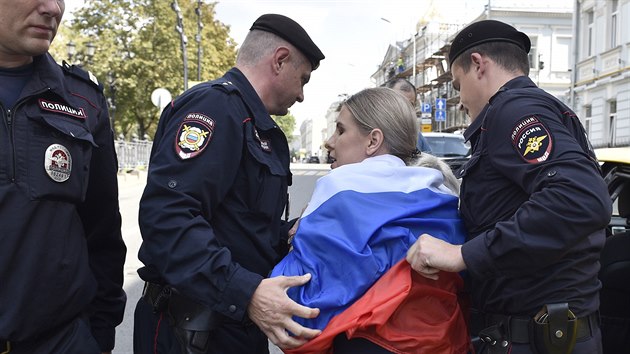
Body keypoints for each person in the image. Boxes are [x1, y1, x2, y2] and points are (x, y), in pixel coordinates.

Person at [406, 20, 611, 354]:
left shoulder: (514, 111)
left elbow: (579, 199)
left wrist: (462, 254)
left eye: (458, 85)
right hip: (548, 331)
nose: (459, 100)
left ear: (478, 63)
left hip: (538, 337)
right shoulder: (542, 108)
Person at [133, 14, 325, 354]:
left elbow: (236, 226)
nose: (301, 96)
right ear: (280, 60)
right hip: (190, 328)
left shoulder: (251, 121)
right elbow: (168, 218)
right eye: (303, 79)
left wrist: (287, 234)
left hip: (229, 323)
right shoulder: (216, 108)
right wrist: (246, 291)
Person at [271, 87, 470, 354]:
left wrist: (295, 239)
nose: (330, 141)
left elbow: (296, 308)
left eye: (340, 130)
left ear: (373, 141)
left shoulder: (339, 189)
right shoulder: (441, 195)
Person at [0, 1, 127, 353]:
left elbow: (103, 232)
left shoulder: (82, 99)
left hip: (61, 341)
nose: (52, 8)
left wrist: (98, 335)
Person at [385, 78, 433, 153]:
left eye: (410, 104)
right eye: (400, 102)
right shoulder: (368, 130)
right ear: (386, 100)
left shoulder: (416, 136)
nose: (405, 108)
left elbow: (430, 162)